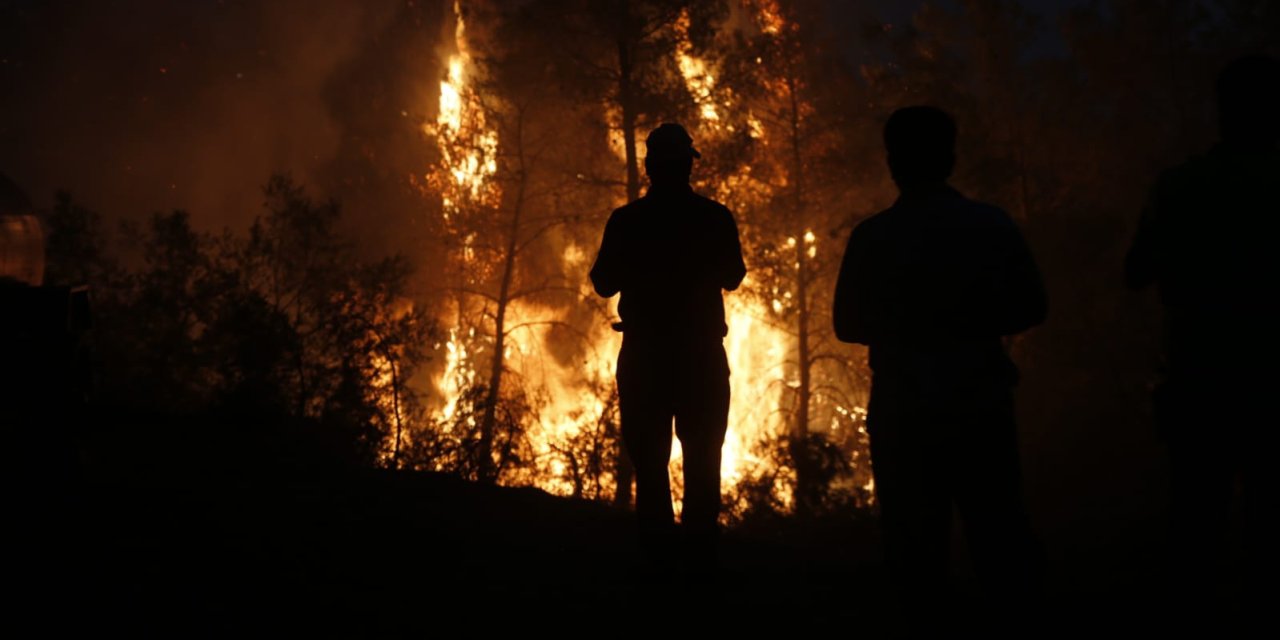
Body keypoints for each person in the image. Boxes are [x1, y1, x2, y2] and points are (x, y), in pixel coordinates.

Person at [832, 106, 1047, 627]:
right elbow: (1033, 305)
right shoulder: (988, 225)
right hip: (979, 402)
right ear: (949, 158)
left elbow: (847, 324)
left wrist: (905, 326)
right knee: (997, 540)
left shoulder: (875, 236)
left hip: (905, 410)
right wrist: (971, 322)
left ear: (893, 163)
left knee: (913, 550)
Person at [1124, 54, 1280, 628]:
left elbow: (1136, 271)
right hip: (1269, 383)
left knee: (1197, 527)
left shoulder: (1180, 187)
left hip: (1201, 380)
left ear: (1222, 112)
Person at [590, 123, 746, 571]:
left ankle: (657, 562)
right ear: (687, 166)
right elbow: (733, 276)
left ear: (650, 167)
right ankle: (699, 564)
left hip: (646, 358)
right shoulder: (714, 217)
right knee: (702, 462)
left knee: (651, 464)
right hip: (700, 357)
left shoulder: (627, 221)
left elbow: (603, 283)